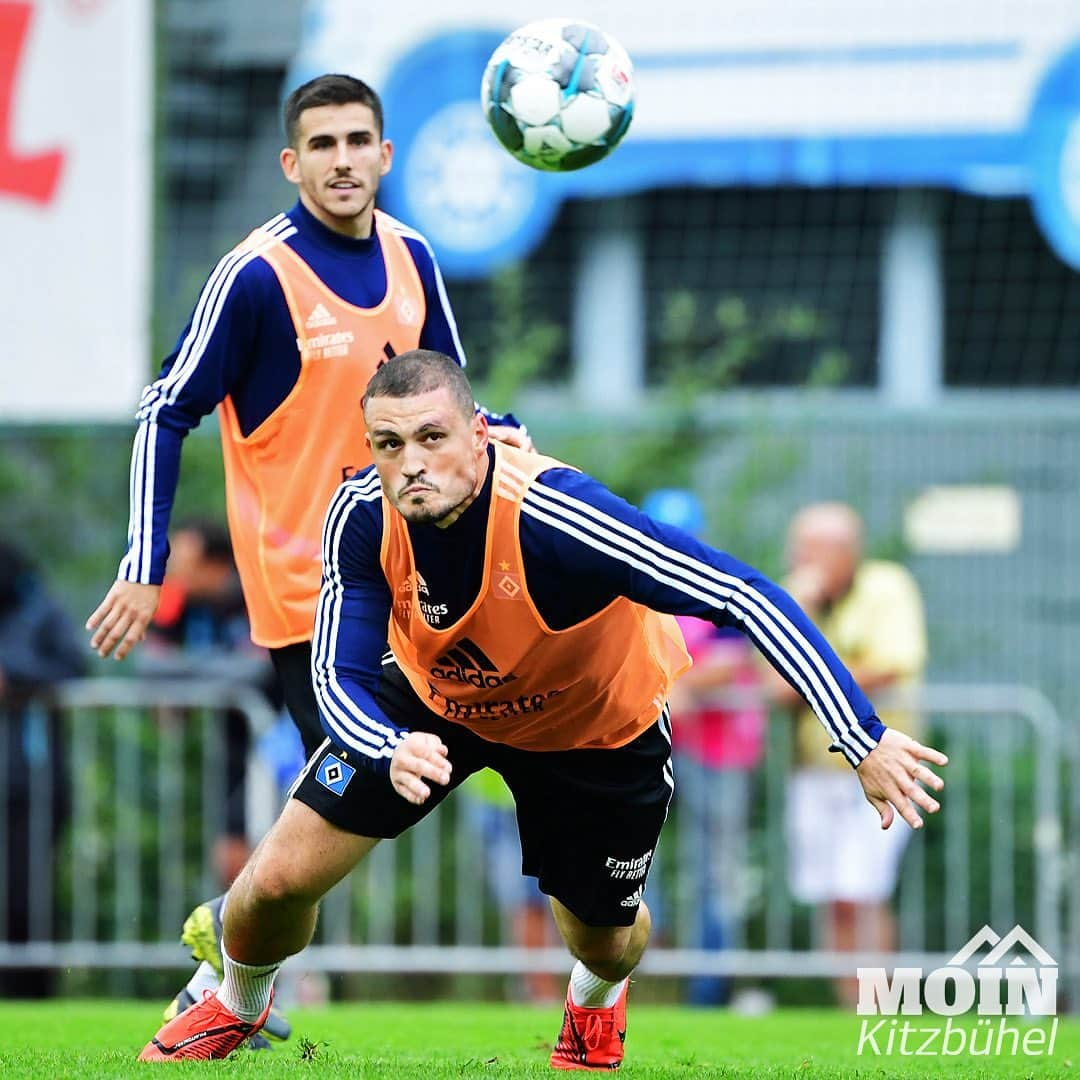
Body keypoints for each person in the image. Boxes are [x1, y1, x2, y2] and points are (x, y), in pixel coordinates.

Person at [138, 351, 947, 1067]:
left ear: (479, 436)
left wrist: (861, 738)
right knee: (271, 883)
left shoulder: (560, 518)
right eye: (389, 445)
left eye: (432, 438)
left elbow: (743, 593)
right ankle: (238, 1005)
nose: (410, 463)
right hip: (435, 703)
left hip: (592, 725)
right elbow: (336, 674)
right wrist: (384, 743)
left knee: (603, 937)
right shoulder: (361, 514)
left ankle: (593, 1002)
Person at [84, 74, 528, 1034]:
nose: (340, 160)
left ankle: (225, 974)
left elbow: (456, 404)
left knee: (387, 781)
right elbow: (167, 408)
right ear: (292, 163)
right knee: (361, 785)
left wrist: (507, 437)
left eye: (357, 140)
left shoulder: (415, 257)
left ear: (385, 156)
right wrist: (144, 560)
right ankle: (230, 964)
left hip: (420, 578)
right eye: (320, 145)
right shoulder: (257, 275)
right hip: (310, 595)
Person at [772, 502, 928, 1007]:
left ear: (845, 550)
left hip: (882, 769)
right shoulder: (796, 596)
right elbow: (772, 684)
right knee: (832, 897)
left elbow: (892, 664)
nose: (798, 558)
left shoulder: (888, 587)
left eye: (809, 549)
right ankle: (850, 1008)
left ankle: (876, 1004)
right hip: (815, 772)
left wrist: (813, 678)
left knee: (863, 891)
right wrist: (808, 615)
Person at [639, 489, 766, 1007]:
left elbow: (734, 658)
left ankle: (709, 989)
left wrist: (678, 685)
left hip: (719, 752)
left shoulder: (719, 582)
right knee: (635, 852)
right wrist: (676, 688)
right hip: (663, 747)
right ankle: (653, 950)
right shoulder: (639, 586)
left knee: (716, 869)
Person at [0, 539, 86, 996]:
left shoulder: (40, 610)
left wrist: (15, 679)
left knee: (27, 895)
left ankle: (30, 990)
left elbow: (74, 667)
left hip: (32, 781)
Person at [459, 768, 560, 1002]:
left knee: (536, 898)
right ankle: (541, 991)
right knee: (527, 900)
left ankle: (545, 992)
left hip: (534, 789)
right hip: (503, 795)